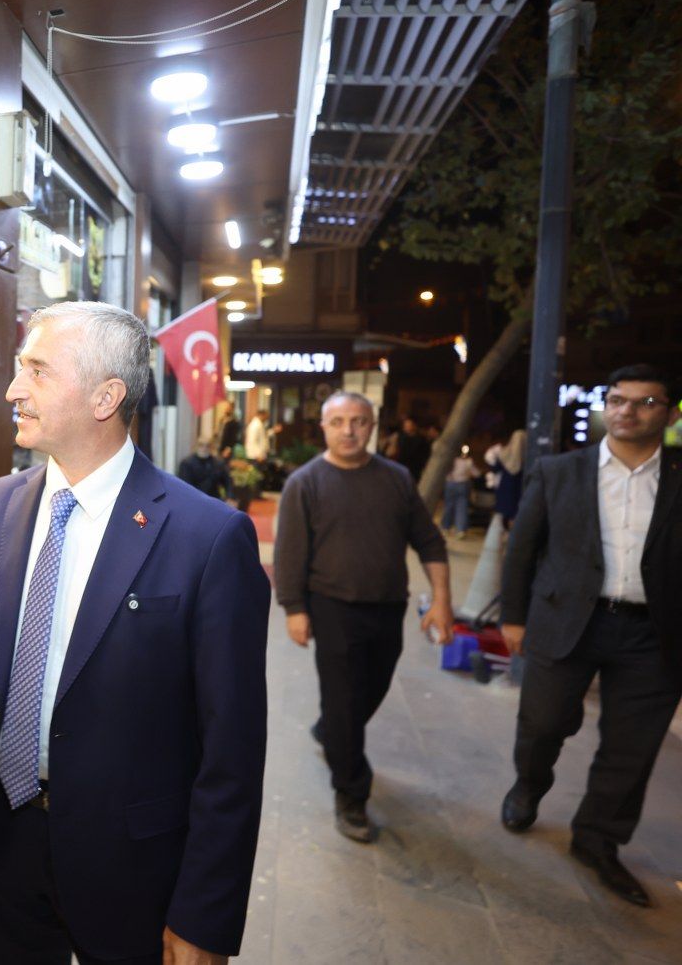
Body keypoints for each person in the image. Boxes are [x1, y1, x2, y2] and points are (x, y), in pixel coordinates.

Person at [0, 302, 271, 963]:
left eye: (37, 371)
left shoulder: (208, 537)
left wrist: (205, 913)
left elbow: (232, 746)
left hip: (133, 864)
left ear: (105, 397)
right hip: (4, 838)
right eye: (18, 368)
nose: (12, 390)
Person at [499, 364, 681, 908]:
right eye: (618, 399)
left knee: (633, 746)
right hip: (566, 620)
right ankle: (529, 786)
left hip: (654, 634)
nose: (628, 411)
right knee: (543, 723)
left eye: (645, 402)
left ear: (670, 413)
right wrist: (513, 617)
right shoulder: (559, 471)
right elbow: (522, 549)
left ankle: (598, 839)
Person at [274, 391, 454, 843]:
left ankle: (331, 730)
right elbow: (289, 553)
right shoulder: (305, 483)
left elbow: (429, 542)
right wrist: (294, 609)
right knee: (345, 703)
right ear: (324, 427)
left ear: (373, 427)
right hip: (331, 607)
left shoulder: (396, 479)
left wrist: (442, 600)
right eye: (338, 422)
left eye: (358, 421)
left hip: (388, 607)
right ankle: (351, 793)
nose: (349, 430)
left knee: (370, 691)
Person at [441, 448, 481, 538]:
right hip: (462, 485)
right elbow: (477, 474)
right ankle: (460, 530)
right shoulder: (468, 462)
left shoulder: (451, 460)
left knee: (448, 506)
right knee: (462, 507)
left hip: (450, 484)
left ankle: (445, 527)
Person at [177, 436, 232, 501]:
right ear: (196, 446)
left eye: (207, 446)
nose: (204, 448)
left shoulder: (218, 464)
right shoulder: (186, 464)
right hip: (194, 500)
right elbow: (184, 486)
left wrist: (229, 496)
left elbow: (227, 481)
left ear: (212, 447)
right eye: (201, 445)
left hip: (213, 500)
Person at [394, 416, 431, 482]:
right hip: (401, 467)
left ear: (414, 426)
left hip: (415, 468)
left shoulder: (421, 440)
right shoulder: (401, 438)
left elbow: (425, 454)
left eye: (409, 425)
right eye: (405, 425)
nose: (406, 427)